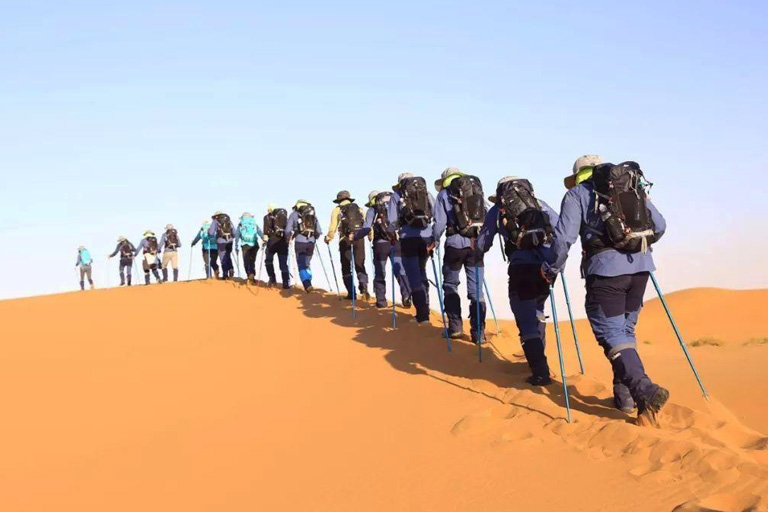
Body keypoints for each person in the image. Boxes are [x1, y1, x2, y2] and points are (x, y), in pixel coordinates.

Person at [542, 155, 669, 425]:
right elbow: (659, 226)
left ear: (577, 175)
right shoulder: (630, 187)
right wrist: (633, 245)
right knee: (624, 333)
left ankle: (644, 389)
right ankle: (626, 401)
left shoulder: (577, 194)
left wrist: (551, 268)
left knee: (611, 333)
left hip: (606, 272)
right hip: (641, 269)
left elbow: (564, 238)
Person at [478, 176, 559, 385]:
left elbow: (483, 242)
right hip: (544, 267)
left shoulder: (498, 210)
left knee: (526, 320)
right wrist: (555, 264)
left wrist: (476, 251)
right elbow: (561, 231)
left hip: (520, 267)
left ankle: (540, 373)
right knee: (538, 312)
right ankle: (539, 361)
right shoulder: (540, 205)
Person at [433, 168, 488, 344]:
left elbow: (440, 223)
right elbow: (485, 213)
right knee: (477, 290)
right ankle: (478, 333)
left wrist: (434, 240)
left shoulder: (444, 194)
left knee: (450, 284)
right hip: (475, 245)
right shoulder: (475, 189)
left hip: (454, 246)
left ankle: (455, 328)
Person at [387, 172, 436, 325]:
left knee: (414, 276)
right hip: (425, 237)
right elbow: (435, 212)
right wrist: (433, 236)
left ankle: (422, 316)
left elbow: (392, 220)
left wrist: (392, 235)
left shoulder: (397, 195)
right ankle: (426, 307)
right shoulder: (425, 192)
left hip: (407, 238)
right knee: (422, 272)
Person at [354, 190, 412, 309]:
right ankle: (406, 296)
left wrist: (355, 237)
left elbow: (366, 228)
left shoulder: (372, 210)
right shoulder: (394, 206)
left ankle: (381, 301)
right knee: (400, 270)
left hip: (380, 245)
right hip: (396, 243)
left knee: (380, 272)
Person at [324, 191, 370, 301]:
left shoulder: (337, 210)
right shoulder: (359, 209)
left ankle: (351, 293)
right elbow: (367, 224)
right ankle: (363, 288)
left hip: (344, 240)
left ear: (339, 200)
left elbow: (332, 228)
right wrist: (370, 236)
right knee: (360, 263)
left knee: (346, 267)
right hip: (359, 238)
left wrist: (328, 238)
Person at [285, 200, 323, 293]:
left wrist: (288, 239)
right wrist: (315, 237)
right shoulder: (312, 213)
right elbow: (318, 230)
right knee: (307, 263)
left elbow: (287, 230)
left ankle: (307, 284)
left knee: (301, 264)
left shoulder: (294, 214)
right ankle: (309, 280)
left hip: (299, 242)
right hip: (311, 242)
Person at [262, 205, 290, 289]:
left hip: (272, 243)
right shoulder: (284, 217)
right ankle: (286, 282)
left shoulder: (267, 218)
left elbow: (266, 233)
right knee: (283, 264)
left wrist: (264, 241)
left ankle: (272, 279)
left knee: (268, 261)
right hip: (283, 242)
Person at [208, 211, 237, 280]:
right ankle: (231, 269)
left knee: (222, 257)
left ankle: (225, 274)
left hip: (221, 241)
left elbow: (211, 233)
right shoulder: (228, 220)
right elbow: (234, 232)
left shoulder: (215, 221)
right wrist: (231, 237)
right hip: (230, 241)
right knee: (228, 255)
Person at [236, 212, 263, 284]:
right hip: (255, 245)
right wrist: (264, 239)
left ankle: (249, 275)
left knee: (246, 261)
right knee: (252, 261)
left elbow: (237, 236)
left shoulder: (241, 224)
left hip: (245, 245)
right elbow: (260, 232)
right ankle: (252, 275)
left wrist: (236, 246)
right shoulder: (254, 224)